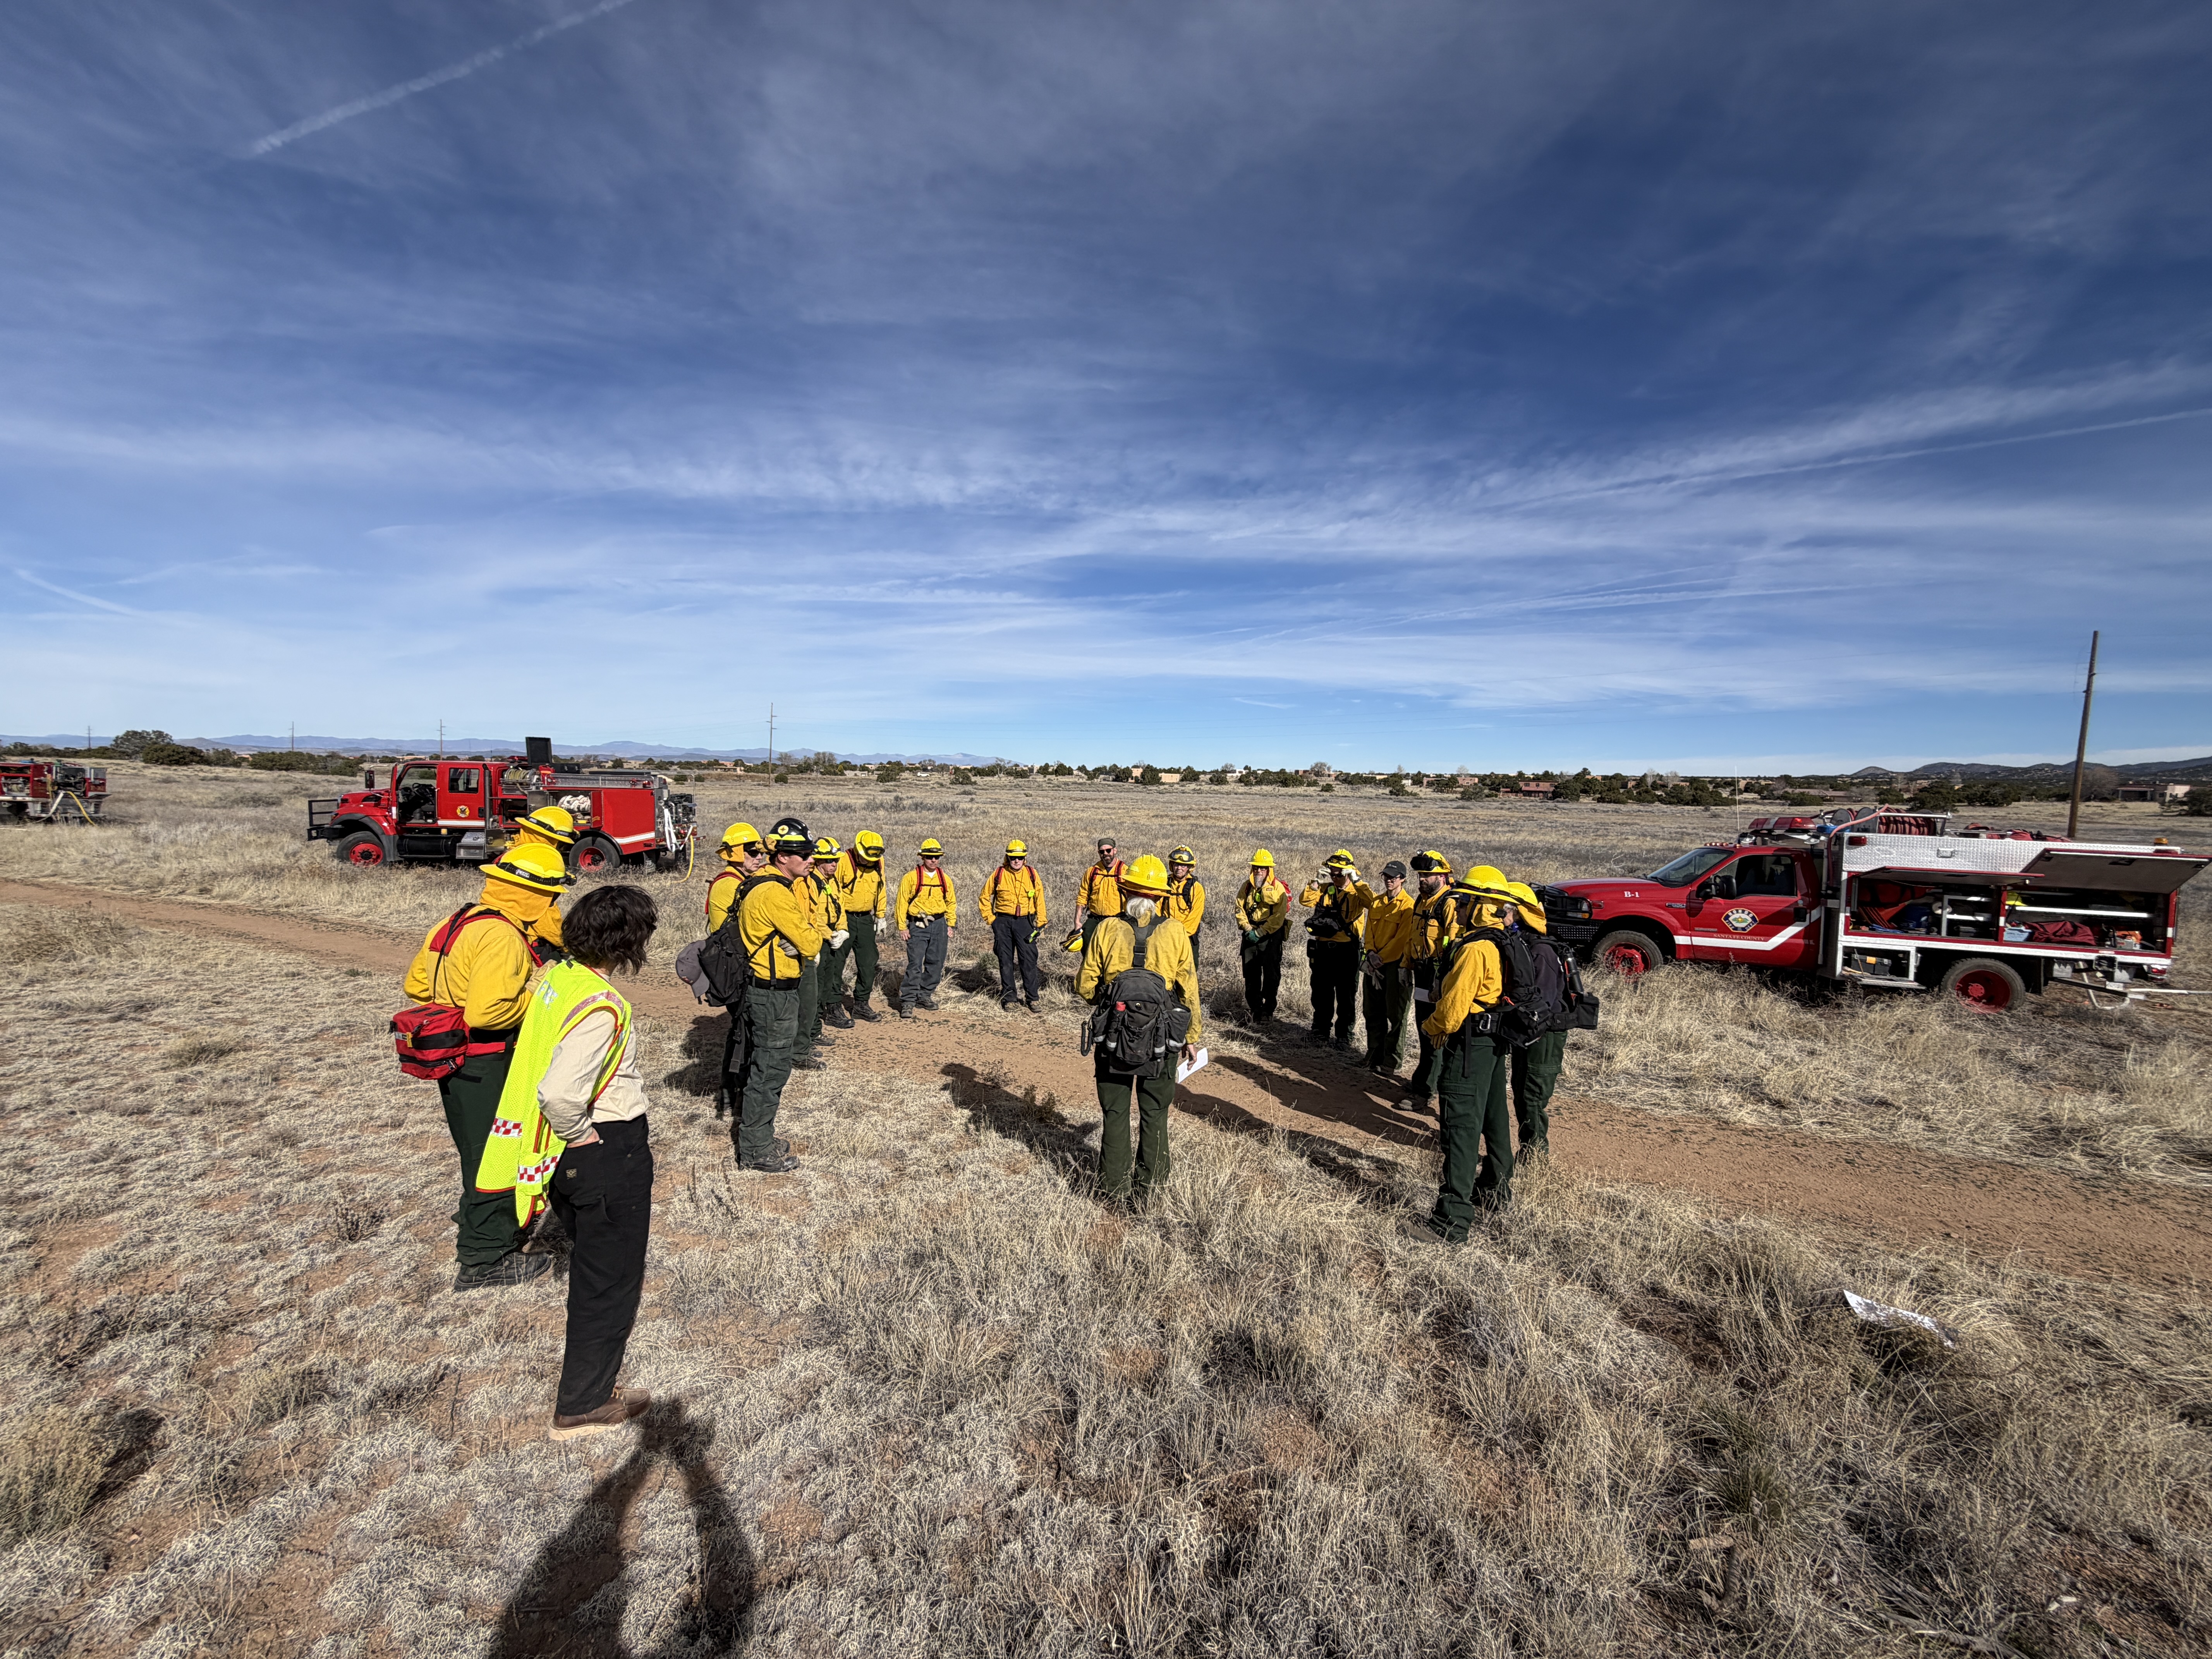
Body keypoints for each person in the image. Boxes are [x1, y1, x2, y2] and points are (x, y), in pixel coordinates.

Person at [476, 884, 660, 1440]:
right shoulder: (602, 1007)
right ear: (629, 941)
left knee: (595, 1265)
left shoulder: (559, 979)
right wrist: (583, 1138)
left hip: (570, 1156)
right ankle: (582, 1405)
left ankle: (597, 1385)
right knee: (609, 1277)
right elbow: (560, 1094)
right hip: (605, 1146)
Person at [402, 842, 570, 1290]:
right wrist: (538, 988)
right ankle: (483, 1258)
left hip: (455, 1060)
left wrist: (451, 1000)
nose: (554, 905)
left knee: (475, 1148)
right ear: (534, 895)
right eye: (552, 895)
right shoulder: (502, 936)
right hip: (486, 1060)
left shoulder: (458, 920)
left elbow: (417, 983)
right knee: (497, 1156)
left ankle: (477, 1216)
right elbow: (489, 1013)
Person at [1075, 854, 1202, 1205]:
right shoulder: (1176, 931)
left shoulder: (1106, 929)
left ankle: (1114, 1189)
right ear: (1161, 897)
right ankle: (1152, 1190)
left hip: (1113, 1038)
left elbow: (1085, 987)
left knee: (1115, 1112)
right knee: (1156, 1112)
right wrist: (1191, 1037)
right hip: (1162, 1041)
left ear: (1125, 891)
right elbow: (1189, 989)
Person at [1413, 867, 1517, 1241]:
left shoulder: (1475, 949)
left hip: (1469, 1045)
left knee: (1460, 1127)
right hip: (1492, 1046)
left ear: (1479, 905)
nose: (1456, 907)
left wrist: (1430, 1030)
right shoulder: (1504, 940)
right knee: (1494, 1119)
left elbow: (1453, 1008)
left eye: (1463, 901)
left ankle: (1451, 1221)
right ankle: (1496, 1191)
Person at [732, 828, 824, 1174]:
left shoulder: (761, 884)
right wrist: (803, 941)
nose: (812, 860)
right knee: (770, 1071)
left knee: (765, 1065)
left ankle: (760, 1138)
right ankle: (756, 1149)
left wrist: (797, 941)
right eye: (805, 854)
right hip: (773, 993)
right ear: (783, 857)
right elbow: (813, 944)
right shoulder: (776, 894)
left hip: (764, 989)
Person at [705, 823, 766, 1115]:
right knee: (743, 1034)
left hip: (739, 964)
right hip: (735, 968)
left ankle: (732, 1093)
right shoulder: (729, 884)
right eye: (753, 852)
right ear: (735, 854)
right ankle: (733, 1093)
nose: (759, 857)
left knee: (743, 1032)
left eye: (761, 852)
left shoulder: (740, 878)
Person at [1505, 879, 1563, 1161]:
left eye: (1505, 909)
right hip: (1527, 1033)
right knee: (1521, 1091)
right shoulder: (1521, 945)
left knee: (1532, 1095)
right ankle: (1529, 1150)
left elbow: (1543, 1006)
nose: (1499, 914)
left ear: (1519, 913)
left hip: (1542, 1035)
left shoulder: (1541, 951)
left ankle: (1535, 1157)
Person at [1401, 851, 1456, 1111]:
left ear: (1443, 876)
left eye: (1427, 875)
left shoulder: (1449, 903)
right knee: (1423, 1027)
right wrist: (1406, 965)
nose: (1422, 880)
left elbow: (1454, 945)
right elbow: (1414, 936)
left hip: (1438, 977)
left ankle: (1429, 1091)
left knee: (1435, 1031)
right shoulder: (1421, 902)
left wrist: (1442, 981)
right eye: (1420, 875)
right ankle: (1422, 1080)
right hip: (1421, 973)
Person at [1356, 860, 1417, 1076]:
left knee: (1396, 1014)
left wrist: (1381, 957)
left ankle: (1392, 1061)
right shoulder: (1377, 902)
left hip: (1395, 966)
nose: (1389, 880)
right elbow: (1369, 930)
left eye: (1394, 877)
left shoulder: (1408, 905)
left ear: (1403, 879)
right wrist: (1371, 953)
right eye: (1386, 876)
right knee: (1372, 1011)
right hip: (1374, 963)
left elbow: (1403, 939)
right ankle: (1374, 1053)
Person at [1300, 850, 1364, 1049]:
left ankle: (1344, 1036)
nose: (1336, 878)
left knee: (1346, 995)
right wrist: (1316, 881)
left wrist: (1357, 881)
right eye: (1333, 873)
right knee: (1321, 992)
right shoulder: (1325, 888)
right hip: (1322, 950)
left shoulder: (1357, 893)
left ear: (1349, 873)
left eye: (1340, 874)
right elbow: (1305, 900)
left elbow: (1371, 902)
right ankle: (1320, 1031)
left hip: (1347, 950)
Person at [824, 830, 888, 1021]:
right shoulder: (843, 860)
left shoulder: (878, 861)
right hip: (844, 919)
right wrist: (837, 923)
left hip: (867, 919)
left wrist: (881, 915)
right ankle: (833, 1006)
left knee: (868, 962)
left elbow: (881, 887)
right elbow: (833, 891)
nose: (870, 861)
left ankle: (861, 1004)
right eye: (867, 856)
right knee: (836, 964)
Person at [978, 838, 1047, 1011]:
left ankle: (1032, 998)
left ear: (1025, 858)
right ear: (1007, 858)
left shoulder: (1032, 874)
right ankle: (1010, 999)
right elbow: (984, 897)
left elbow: (1040, 898)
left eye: (1021, 857)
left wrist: (1041, 921)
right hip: (1002, 922)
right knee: (1006, 961)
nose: (1017, 861)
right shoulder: (999, 874)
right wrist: (991, 920)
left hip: (1026, 923)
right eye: (1013, 857)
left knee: (1029, 961)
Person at [894, 837, 958, 1018]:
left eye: (937, 857)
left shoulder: (945, 879)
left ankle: (925, 995)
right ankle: (908, 1001)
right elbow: (901, 903)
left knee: (936, 962)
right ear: (923, 858)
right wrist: (902, 927)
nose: (934, 860)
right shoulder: (911, 878)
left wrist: (950, 924)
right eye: (930, 857)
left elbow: (951, 902)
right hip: (918, 923)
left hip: (939, 923)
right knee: (915, 963)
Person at [1234, 849, 1291, 1024]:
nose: (1259, 871)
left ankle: (1269, 1009)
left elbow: (1279, 917)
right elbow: (1239, 908)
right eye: (1256, 868)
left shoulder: (1278, 888)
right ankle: (1255, 1009)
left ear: (1269, 870)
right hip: (1250, 934)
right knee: (1251, 974)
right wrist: (1247, 928)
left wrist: (1261, 932)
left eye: (1263, 868)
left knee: (1271, 975)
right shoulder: (1246, 887)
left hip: (1271, 937)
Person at [1073, 838, 1126, 954]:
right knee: (1087, 943)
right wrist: (1077, 921)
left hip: (1117, 919)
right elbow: (1083, 896)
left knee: (1115, 952)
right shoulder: (1092, 872)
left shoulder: (1125, 872)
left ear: (1115, 851)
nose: (1105, 854)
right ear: (1099, 853)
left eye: (1109, 850)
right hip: (1095, 918)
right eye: (1102, 852)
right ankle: (1091, 971)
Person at [1164, 847, 1206, 970]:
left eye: (1183, 865)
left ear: (1189, 868)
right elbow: (1157, 910)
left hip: (1187, 938)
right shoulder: (1164, 885)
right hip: (1166, 936)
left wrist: (1180, 935)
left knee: (1189, 972)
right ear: (1172, 865)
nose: (1179, 868)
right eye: (1177, 864)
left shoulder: (1196, 888)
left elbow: (1195, 917)